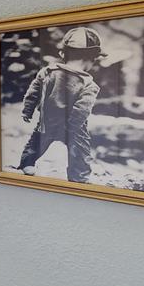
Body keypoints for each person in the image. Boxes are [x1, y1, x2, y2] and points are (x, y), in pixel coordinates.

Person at [16, 27, 103, 183]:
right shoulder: (89, 84)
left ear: (63, 54)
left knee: (37, 142)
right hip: (73, 126)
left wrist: (27, 110)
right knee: (80, 151)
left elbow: (33, 92)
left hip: (48, 119)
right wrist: (73, 125)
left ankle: (27, 164)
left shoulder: (47, 72)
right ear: (92, 59)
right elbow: (82, 109)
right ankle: (79, 177)